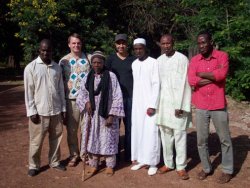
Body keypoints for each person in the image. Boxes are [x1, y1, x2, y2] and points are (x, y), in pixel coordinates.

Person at [188, 31, 234, 184]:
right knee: (201, 140)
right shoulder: (194, 60)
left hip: (218, 104)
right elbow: (192, 80)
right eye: (199, 43)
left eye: (204, 42)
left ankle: (227, 169)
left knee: (225, 139)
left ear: (211, 42)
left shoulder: (222, 56)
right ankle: (207, 168)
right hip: (201, 105)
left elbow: (221, 75)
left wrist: (202, 74)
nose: (201, 46)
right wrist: (212, 77)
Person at [76, 51, 124, 176]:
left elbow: (117, 96)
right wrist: (86, 103)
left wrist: (112, 115)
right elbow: (81, 93)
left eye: (99, 62)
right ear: (91, 64)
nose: (97, 65)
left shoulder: (111, 76)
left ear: (103, 63)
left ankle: (109, 165)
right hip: (92, 115)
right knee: (93, 139)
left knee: (109, 139)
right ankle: (94, 164)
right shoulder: (87, 77)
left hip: (106, 114)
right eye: (94, 62)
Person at [24, 39, 66, 177]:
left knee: (56, 138)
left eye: (48, 50)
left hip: (56, 110)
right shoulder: (31, 68)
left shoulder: (57, 68)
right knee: (36, 141)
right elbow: (29, 92)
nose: (46, 52)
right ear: (39, 51)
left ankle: (54, 162)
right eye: (43, 50)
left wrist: (63, 109)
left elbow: (61, 90)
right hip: (39, 112)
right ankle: (33, 165)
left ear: (52, 51)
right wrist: (31, 111)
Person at [156, 34, 192, 180]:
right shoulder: (159, 61)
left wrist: (181, 105)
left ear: (173, 43)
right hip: (163, 104)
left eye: (168, 43)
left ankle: (181, 166)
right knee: (165, 135)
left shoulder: (182, 59)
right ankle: (169, 163)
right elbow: (156, 84)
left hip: (178, 105)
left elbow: (186, 83)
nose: (166, 46)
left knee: (179, 135)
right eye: (163, 43)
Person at [59, 33, 91, 167]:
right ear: (69, 44)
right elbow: (59, 83)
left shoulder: (89, 58)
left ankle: (85, 154)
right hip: (71, 100)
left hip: (86, 101)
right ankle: (74, 155)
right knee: (72, 130)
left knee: (86, 129)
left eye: (78, 43)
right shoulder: (63, 61)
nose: (76, 45)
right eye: (73, 43)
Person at [130, 38, 160, 176]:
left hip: (149, 104)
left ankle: (153, 162)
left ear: (145, 48)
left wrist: (152, 105)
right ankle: (141, 159)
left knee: (151, 133)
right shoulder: (134, 64)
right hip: (137, 103)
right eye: (135, 49)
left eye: (140, 48)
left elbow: (156, 84)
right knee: (138, 131)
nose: (138, 51)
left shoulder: (154, 62)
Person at [106, 34, 136, 162]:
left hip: (130, 97)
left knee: (129, 127)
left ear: (127, 44)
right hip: (115, 99)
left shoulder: (133, 59)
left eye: (123, 43)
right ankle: (115, 154)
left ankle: (129, 154)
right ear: (115, 45)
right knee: (115, 127)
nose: (121, 46)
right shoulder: (110, 59)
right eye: (119, 43)